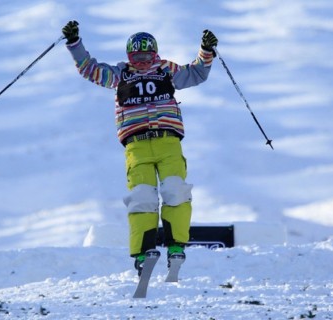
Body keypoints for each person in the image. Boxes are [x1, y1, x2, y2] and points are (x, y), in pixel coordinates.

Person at [62, 21, 218, 276]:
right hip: (137, 146)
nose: (143, 62)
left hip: (168, 142)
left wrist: (206, 50)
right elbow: (90, 69)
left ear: (155, 54)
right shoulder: (121, 74)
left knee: (175, 191)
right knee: (143, 197)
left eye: (148, 57)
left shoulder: (166, 70)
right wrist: (74, 43)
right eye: (137, 57)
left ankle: (176, 245)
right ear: (129, 57)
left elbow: (197, 73)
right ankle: (143, 251)